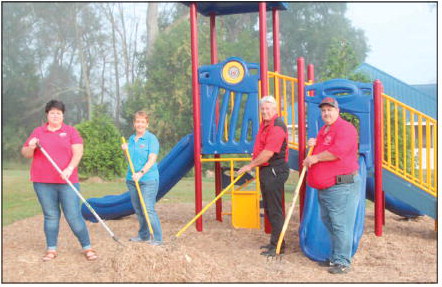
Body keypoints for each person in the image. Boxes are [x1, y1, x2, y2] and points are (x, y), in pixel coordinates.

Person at [21, 100, 97, 262]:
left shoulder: (70, 131)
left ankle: (87, 246)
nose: (55, 115)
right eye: (52, 112)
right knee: (51, 215)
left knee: (73, 216)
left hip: (67, 182)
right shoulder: (38, 132)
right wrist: (32, 146)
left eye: (59, 113)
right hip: (42, 182)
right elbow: (26, 153)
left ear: (63, 115)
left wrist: (69, 169)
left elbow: (78, 152)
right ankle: (51, 249)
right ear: (47, 114)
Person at [303, 97, 360, 274]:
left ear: (338, 111)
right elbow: (319, 152)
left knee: (340, 224)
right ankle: (336, 257)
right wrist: (312, 146)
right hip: (326, 187)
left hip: (342, 186)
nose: (326, 113)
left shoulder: (346, 129)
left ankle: (343, 262)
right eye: (323, 110)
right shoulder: (324, 130)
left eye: (330, 110)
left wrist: (316, 157)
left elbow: (338, 152)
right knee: (331, 223)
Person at [238, 95, 289, 256]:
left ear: (275, 109)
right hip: (266, 170)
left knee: (275, 209)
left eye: (268, 108)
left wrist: (250, 166)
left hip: (275, 169)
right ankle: (275, 243)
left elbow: (267, 154)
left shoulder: (277, 127)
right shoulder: (265, 124)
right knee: (268, 207)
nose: (265, 111)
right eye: (263, 109)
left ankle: (278, 246)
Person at [122, 111, 162, 245]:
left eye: (142, 122)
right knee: (138, 209)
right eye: (137, 121)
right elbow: (129, 160)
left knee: (148, 209)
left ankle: (157, 239)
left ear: (147, 124)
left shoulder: (151, 139)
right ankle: (143, 235)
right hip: (132, 179)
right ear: (134, 124)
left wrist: (141, 173)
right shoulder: (132, 139)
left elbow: (152, 159)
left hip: (148, 179)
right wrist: (125, 151)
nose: (140, 124)